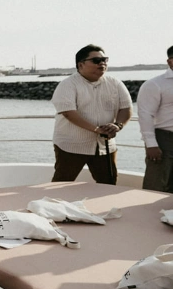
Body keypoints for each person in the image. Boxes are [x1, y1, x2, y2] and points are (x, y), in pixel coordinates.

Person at [50, 44, 132, 184]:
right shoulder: (67, 85)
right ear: (81, 64)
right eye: (96, 60)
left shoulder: (115, 83)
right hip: (72, 145)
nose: (102, 63)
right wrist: (96, 129)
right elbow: (69, 113)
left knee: (108, 183)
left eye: (104, 60)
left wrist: (118, 125)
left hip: (105, 145)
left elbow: (126, 108)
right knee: (62, 181)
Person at [137, 45, 173, 192]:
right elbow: (145, 114)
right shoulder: (155, 84)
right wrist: (151, 144)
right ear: (170, 61)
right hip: (164, 139)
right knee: (157, 185)